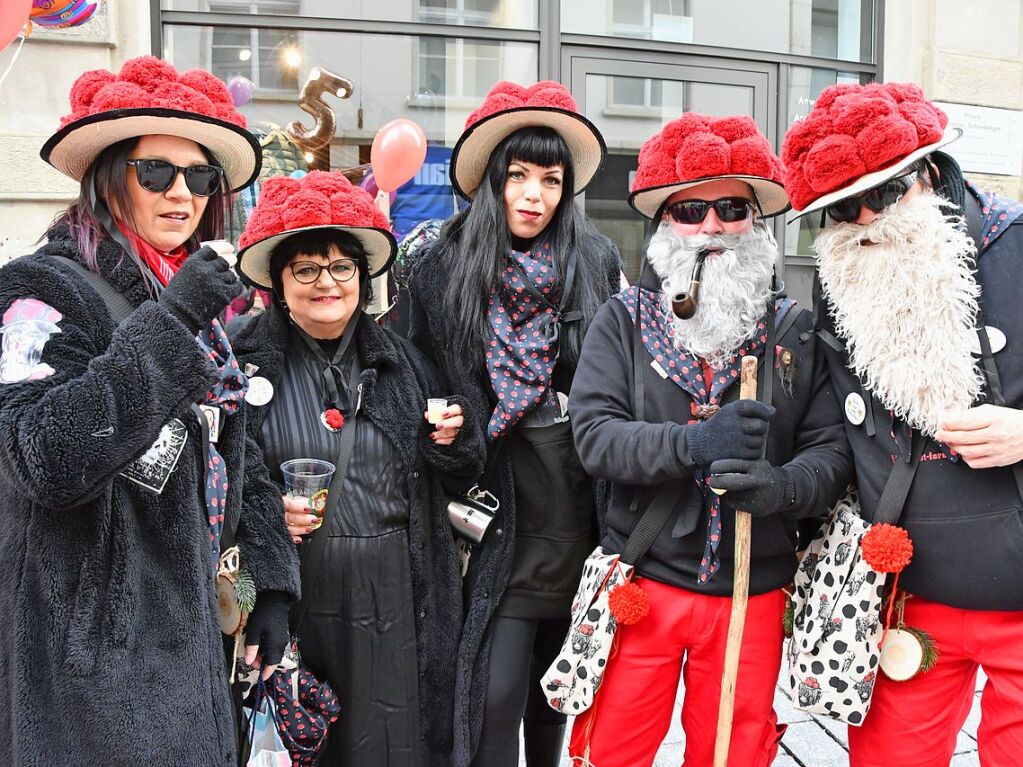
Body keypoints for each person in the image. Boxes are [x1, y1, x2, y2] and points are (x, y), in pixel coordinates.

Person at [0, 55, 300, 765]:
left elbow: (237, 456)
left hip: (192, 650)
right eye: (156, 172)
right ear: (108, 176)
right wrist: (175, 317)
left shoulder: (196, 306)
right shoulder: (36, 289)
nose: (183, 194)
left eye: (201, 178)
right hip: (87, 681)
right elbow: (44, 456)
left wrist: (271, 583)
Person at [565, 114, 853, 766]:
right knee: (613, 748)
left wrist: (782, 488)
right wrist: (692, 443)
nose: (712, 226)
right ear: (665, 223)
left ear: (755, 218)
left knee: (732, 752)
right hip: (646, 581)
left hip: (752, 594)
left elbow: (831, 453)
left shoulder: (795, 331)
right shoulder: (622, 322)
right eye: (691, 209)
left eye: (731, 207)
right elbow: (594, 437)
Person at [782, 81, 1023, 767]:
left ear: (927, 172)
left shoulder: (1014, 244)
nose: (862, 219)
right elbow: (830, 426)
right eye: (837, 208)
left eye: (882, 195)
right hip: (906, 588)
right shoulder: (837, 275)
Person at [232, 170, 485, 766]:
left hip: (393, 593)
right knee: (294, 742)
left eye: (342, 266)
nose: (328, 283)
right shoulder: (240, 360)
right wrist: (266, 520)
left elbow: (460, 473)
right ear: (278, 280)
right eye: (307, 269)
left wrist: (456, 435)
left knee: (388, 743)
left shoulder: (404, 363)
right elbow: (222, 478)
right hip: (292, 592)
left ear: (363, 276)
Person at [406, 80, 623, 767]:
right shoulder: (440, 263)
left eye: (550, 179)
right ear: (492, 181)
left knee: (553, 691)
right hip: (491, 509)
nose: (533, 194)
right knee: (494, 694)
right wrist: (442, 422)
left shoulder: (593, 260)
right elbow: (409, 371)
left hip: (574, 505)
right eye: (518, 176)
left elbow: (614, 378)